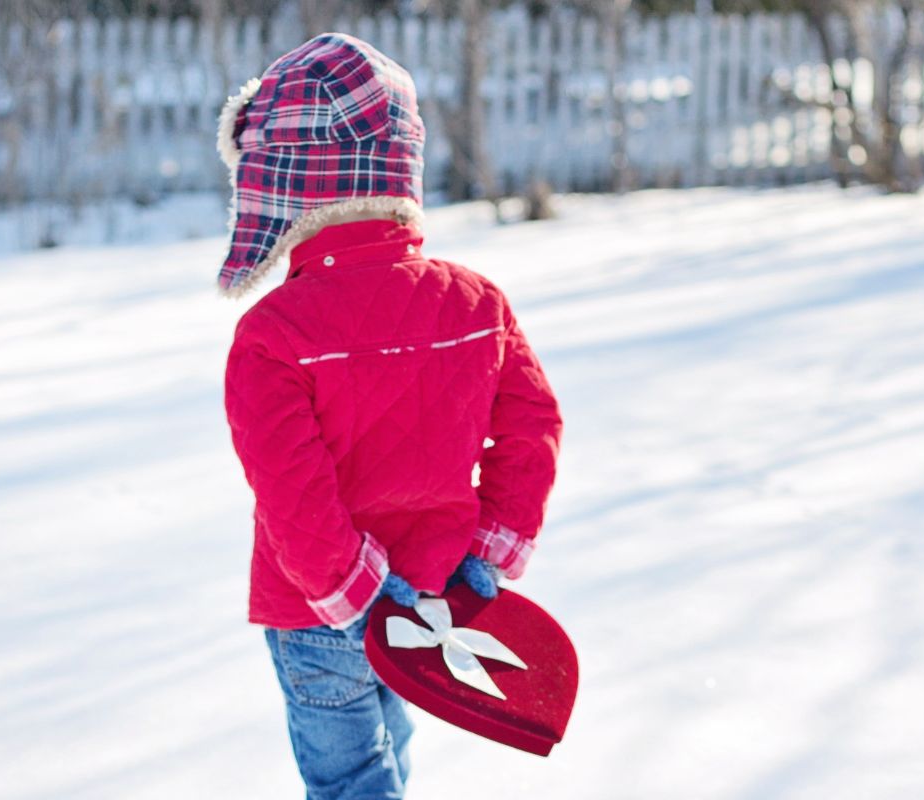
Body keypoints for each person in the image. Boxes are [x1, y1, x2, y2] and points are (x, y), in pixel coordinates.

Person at [217, 33, 562, 800]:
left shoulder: (273, 334)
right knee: (387, 758)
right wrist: (486, 551)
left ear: (285, 184)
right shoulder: (475, 303)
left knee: (352, 781)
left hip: (317, 612)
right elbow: (533, 426)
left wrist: (351, 587)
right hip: (427, 597)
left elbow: (291, 488)